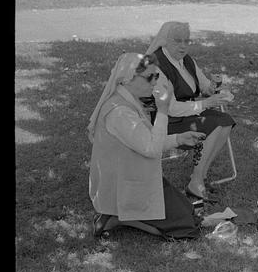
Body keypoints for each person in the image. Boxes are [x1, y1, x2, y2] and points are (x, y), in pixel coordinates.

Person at [87, 53, 206, 240]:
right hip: (123, 187)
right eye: (150, 77)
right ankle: (118, 218)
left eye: (156, 76)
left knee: (189, 213)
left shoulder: (129, 101)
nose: (154, 82)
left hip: (135, 176)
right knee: (186, 229)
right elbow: (151, 148)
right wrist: (163, 111)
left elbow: (147, 141)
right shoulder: (119, 112)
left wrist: (178, 139)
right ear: (127, 79)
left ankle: (122, 216)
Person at [146, 22, 235, 201]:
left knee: (226, 121)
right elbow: (170, 108)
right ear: (165, 41)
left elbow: (203, 85)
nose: (183, 45)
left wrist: (213, 87)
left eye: (187, 41)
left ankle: (200, 176)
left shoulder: (186, 60)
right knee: (215, 125)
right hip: (165, 121)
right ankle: (196, 182)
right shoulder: (157, 65)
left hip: (188, 114)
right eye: (177, 41)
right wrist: (205, 104)